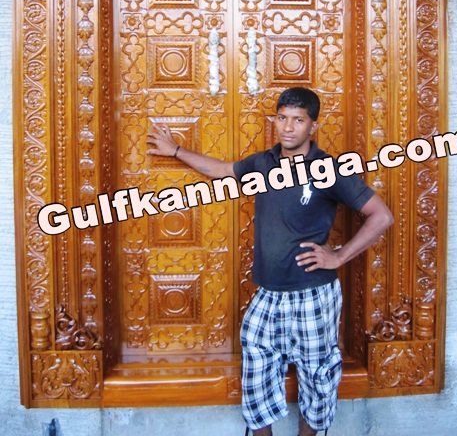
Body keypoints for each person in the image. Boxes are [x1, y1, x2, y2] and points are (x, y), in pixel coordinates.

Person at [147, 87, 393, 436]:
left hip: (313, 294)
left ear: (313, 126)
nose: (288, 127)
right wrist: (176, 150)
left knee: (317, 376)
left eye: (298, 120)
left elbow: (381, 216)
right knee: (256, 370)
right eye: (282, 118)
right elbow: (223, 171)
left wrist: (338, 256)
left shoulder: (328, 169)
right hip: (269, 293)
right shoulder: (264, 163)